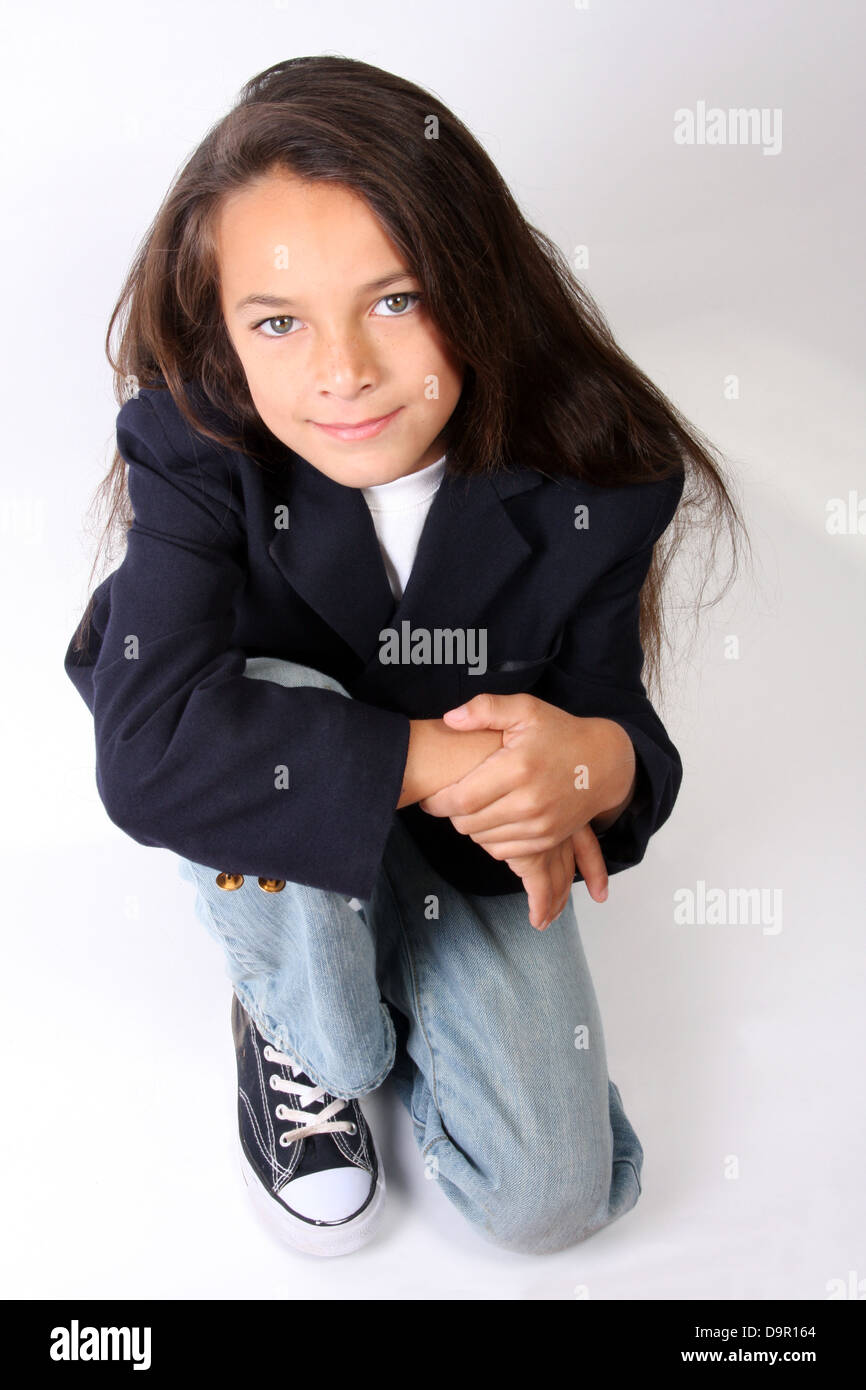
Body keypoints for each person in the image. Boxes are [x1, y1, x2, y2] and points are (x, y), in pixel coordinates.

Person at [63, 55, 746, 1259]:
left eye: (394, 299)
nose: (341, 372)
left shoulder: (603, 465)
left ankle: (372, 941)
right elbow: (148, 749)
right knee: (330, 988)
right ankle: (298, 1019)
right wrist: (430, 757)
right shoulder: (196, 437)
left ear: (475, 279)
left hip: (450, 830)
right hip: (258, 768)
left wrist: (585, 764)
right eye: (276, 321)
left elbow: (604, 709)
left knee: (550, 1203)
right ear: (223, 332)